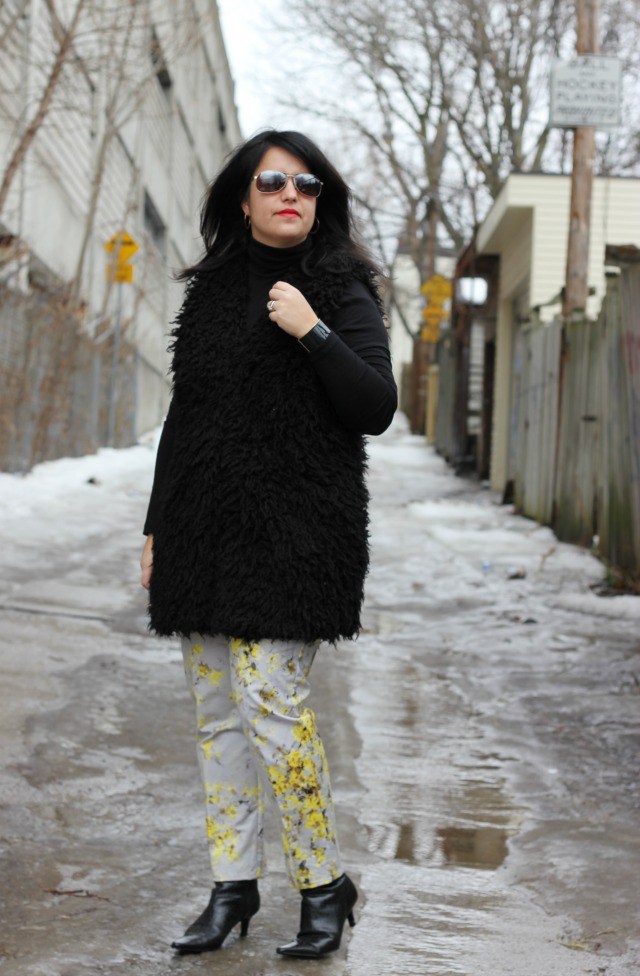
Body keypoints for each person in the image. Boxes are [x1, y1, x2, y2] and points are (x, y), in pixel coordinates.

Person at [139, 129, 397, 959]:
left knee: (270, 705)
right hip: (204, 527)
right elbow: (186, 418)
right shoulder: (209, 293)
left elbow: (375, 406)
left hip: (297, 532)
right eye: (273, 180)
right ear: (243, 198)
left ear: (322, 200)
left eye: (309, 183)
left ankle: (322, 885)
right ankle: (233, 887)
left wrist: (313, 329)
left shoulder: (341, 286)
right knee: (217, 716)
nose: (293, 193)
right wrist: (155, 525)